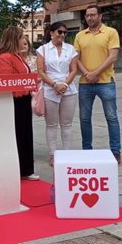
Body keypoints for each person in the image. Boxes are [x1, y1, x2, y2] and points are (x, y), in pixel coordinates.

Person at [74, 5, 122, 164]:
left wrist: (95, 73)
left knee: (111, 117)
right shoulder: (80, 35)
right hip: (85, 83)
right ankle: (87, 150)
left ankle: (115, 151)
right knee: (84, 118)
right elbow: (76, 58)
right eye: (87, 15)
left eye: (93, 15)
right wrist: (87, 73)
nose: (90, 18)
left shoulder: (110, 32)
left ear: (100, 16)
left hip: (106, 81)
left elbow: (112, 57)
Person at [0, 26, 39, 180]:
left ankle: (26, 168)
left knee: (25, 134)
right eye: (22, 37)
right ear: (15, 39)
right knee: (19, 135)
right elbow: (6, 81)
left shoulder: (18, 56)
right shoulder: (6, 57)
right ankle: (21, 168)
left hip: (24, 98)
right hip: (15, 101)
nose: (24, 40)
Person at [37, 22, 79, 166]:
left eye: (64, 33)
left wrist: (65, 84)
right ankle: (53, 154)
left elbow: (74, 70)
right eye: (59, 32)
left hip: (68, 89)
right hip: (50, 89)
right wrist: (54, 84)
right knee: (51, 125)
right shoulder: (43, 49)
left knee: (67, 124)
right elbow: (41, 71)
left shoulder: (71, 49)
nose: (62, 35)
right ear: (52, 33)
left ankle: (67, 154)